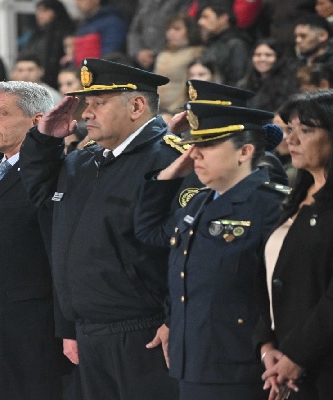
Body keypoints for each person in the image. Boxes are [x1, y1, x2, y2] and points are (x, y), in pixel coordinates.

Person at [19, 58, 180, 399]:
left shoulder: (168, 161)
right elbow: (41, 198)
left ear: (136, 105)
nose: (85, 114)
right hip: (88, 333)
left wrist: (174, 320)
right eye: (86, 104)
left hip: (145, 333)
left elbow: (183, 251)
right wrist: (44, 140)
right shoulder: (83, 160)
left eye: (98, 104)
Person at [134, 101, 288, 399]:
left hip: (241, 363)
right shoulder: (199, 202)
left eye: (210, 145)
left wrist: (271, 345)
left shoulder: (271, 207)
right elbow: (149, 230)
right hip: (192, 359)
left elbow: (280, 291)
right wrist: (170, 175)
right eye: (194, 145)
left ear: (245, 152)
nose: (195, 154)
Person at [0, 80, 64, 399]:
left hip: (32, 332)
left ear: (38, 121)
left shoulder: (51, 171)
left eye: (1, 114)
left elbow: (56, 252)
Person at [255, 90, 333, 399]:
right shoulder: (294, 199)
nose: (292, 141)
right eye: (291, 130)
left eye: (307, 130)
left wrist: (297, 356)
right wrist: (267, 345)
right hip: (284, 362)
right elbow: (271, 277)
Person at [154, 14, 203, 115]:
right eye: (169, 29)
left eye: (177, 29)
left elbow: (191, 87)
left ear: (189, 32)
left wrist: (175, 111)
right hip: (157, 109)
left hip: (180, 111)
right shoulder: (163, 53)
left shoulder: (196, 53)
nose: (171, 33)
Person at [18, 0, 75, 88]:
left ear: (55, 12)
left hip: (58, 80)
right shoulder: (34, 35)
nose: (39, 15)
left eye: (44, 10)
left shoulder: (65, 33)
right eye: (38, 11)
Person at [127, 0, 189, 71]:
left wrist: (154, 53)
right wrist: (138, 52)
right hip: (139, 60)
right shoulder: (145, 2)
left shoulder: (182, 2)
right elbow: (134, 31)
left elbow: (181, 29)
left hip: (170, 59)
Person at [198, 1, 250, 86]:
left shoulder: (236, 44)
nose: (200, 22)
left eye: (206, 17)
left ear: (223, 18)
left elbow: (238, 81)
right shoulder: (211, 43)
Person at [240, 39, 299, 112]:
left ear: (278, 58)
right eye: (258, 55)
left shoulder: (289, 84)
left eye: (268, 55)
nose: (262, 59)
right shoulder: (245, 84)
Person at [72, 0, 126, 66]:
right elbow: (77, 55)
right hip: (81, 71)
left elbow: (110, 55)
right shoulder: (83, 25)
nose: (78, 2)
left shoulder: (112, 22)